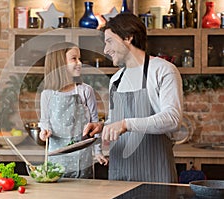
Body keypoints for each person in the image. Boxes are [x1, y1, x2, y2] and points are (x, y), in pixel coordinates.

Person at [83, 13, 183, 183]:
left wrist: (125, 124)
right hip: (120, 175)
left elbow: (173, 119)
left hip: (155, 174)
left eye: (109, 41)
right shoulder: (116, 79)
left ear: (128, 38)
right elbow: (118, 122)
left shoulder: (163, 70)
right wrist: (103, 126)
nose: (105, 50)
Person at [38, 42, 108, 178]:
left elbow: (95, 124)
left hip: (82, 160)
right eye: (74, 58)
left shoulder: (85, 91)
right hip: (56, 161)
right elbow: (44, 122)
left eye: (79, 58)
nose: (79, 63)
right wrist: (43, 132)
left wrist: (98, 152)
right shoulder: (47, 94)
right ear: (59, 64)